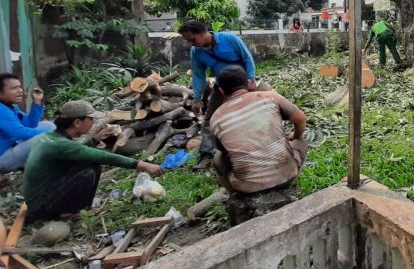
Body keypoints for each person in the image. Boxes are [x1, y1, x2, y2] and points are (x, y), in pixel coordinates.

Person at [23, 100, 162, 220]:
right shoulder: (61, 144)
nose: (93, 122)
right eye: (91, 119)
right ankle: (71, 212)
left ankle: (70, 209)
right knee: (88, 170)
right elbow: (101, 156)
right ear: (77, 122)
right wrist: (142, 164)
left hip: (37, 200)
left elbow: (76, 152)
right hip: (42, 207)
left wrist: (96, 139)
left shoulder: (49, 137)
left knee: (86, 162)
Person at [210, 66, 307, 194]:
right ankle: (290, 180)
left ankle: (234, 194)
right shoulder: (270, 97)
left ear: (221, 91)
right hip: (286, 177)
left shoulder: (216, 118)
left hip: (246, 188)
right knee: (301, 141)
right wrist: (295, 136)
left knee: (218, 158)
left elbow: (222, 149)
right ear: (249, 83)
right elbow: (300, 119)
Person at [179, 20, 256, 160]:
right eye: (187, 40)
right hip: (221, 85)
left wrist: (251, 79)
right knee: (210, 118)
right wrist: (196, 99)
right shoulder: (196, 51)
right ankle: (206, 154)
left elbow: (247, 59)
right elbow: (198, 74)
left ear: (202, 33)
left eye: (192, 39)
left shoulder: (230, 39)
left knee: (249, 115)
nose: (191, 43)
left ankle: (252, 148)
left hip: (242, 84)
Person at [0, 73, 55, 173]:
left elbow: (30, 124)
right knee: (46, 136)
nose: (20, 91)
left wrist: (37, 102)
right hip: (3, 157)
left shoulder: (10, 107)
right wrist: (50, 132)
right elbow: (21, 133)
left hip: (12, 145)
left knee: (49, 125)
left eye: (20, 87)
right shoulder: (1, 110)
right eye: (14, 88)